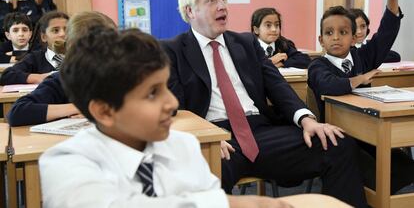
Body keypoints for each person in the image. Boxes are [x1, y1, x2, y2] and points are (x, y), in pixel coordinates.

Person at [162, 0, 367, 207]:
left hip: (261, 132)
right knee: (203, 176)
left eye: (224, 0)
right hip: (219, 138)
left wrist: (307, 120)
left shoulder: (246, 43)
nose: (223, 7)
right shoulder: (172, 50)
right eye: (212, 1)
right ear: (190, 11)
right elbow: (175, 108)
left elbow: (278, 86)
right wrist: (206, 138)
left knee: (337, 143)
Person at [40, 27, 293, 208]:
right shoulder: (64, 162)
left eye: (165, 87)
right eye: (152, 93)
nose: (172, 103)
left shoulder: (184, 145)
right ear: (104, 111)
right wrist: (229, 203)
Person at [308, 0, 414, 194]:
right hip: (340, 137)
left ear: (353, 36)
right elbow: (328, 85)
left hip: (370, 131)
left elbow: (385, 34)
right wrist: (359, 78)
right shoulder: (318, 65)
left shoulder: (360, 56)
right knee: (371, 176)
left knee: (405, 168)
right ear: (321, 39)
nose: (336, 38)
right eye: (329, 33)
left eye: (343, 32)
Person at [7, 11, 116, 126]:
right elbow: (17, 113)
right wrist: (81, 108)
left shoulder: (126, 76)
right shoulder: (63, 79)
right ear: (71, 48)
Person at [0, 11, 69, 85]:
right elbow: (6, 76)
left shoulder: (80, 56)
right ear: (44, 37)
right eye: (55, 30)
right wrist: (38, 77)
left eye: (67, 30)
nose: (62, 34)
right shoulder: (35, 58)